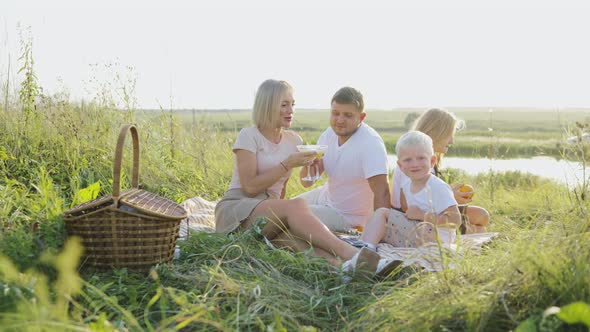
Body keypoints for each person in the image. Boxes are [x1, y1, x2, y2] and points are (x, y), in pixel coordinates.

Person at [214, 79, 380, 273]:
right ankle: (354, 254)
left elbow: (283, 190)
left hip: (266, 214)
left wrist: (312, 168)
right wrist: (287, 164)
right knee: (298, 206)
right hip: (238, 210)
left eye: (292, 104)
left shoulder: (294, 141)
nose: (290, 110)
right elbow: (249, 187)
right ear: (267, 106)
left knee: (295, 236)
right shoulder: (249, 136)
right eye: (284, 105)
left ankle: (343, 269)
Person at [296, 87, 391, 232]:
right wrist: (308, 165)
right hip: (326, 197)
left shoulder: (371, 144)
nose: (340, 120)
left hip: (348, 217)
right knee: (280, 210)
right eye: (335, 113)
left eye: (348, 115)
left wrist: (379, 233)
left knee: (292, 216)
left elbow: (382, 192)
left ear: (361, 117)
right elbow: (307, 182)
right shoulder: (329, 134)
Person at [393, 108, 490, 233]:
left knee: (482, 219)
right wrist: (452, 196)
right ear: (437, 133)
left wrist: (449, 194)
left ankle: (463, 232)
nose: (452, 141)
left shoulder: (423, 160)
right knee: (481, 220)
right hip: (413, 218)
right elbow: (410, 204)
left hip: (426, 214)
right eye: (450, 134)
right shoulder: (413, 165)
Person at [361, 131, 461, 248]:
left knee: (382, 213)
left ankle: (365, 248)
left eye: (421, 158)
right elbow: (408, 212)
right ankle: (364, 247)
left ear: (432, 161)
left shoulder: (437, 186)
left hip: (438, 239)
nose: (415, 164)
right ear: (400, 166)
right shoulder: (407, 185)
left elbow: (456, 220)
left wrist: (423, 215)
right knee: (378, 226)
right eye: (408, 160)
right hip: (418, 232)